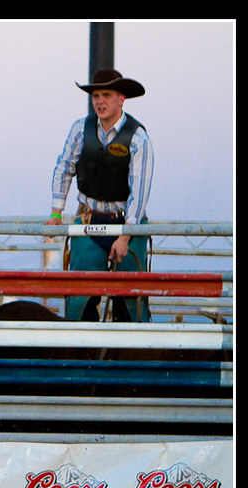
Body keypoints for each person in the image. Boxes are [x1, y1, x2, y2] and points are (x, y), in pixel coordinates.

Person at [45, 69, 155, 322]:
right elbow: (64, 167)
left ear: (121, 99)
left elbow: (140, 191)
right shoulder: (80, 129)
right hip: (88, 219)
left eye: (107, 95)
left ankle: (128, 358)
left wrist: (126, 236)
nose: (100, 101)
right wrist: (56, 212)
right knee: (80, 297)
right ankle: (82, 358)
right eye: (96, 95)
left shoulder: (139, 138)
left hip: (126, 222)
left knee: (131, 301)